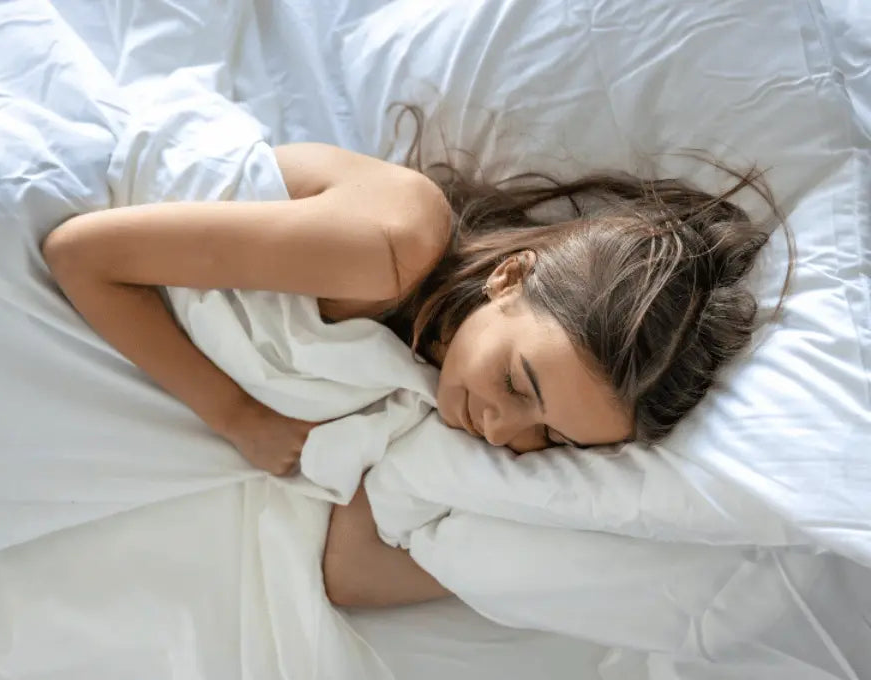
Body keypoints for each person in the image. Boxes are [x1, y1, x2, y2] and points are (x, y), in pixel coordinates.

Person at [40, 115, 789, 608]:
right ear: (510, 276)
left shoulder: (425, 386)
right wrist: (236, 416)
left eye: (554, 440)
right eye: (518, 384)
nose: (505, 432)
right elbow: (81, 254)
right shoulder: (391, 248)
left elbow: (350, 576)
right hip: (51, 229)